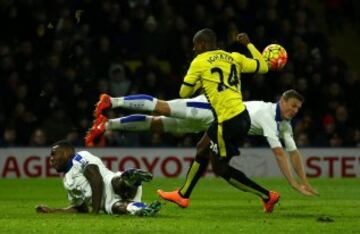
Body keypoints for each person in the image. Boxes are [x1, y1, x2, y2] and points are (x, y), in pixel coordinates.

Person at [89, 29, 281, 213]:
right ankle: (183, 194)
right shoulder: (233, 57)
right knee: (197, 146)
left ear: (202, 44)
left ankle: (112, 103)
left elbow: (184, 92)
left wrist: (200, 81)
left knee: (218, 166)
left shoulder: (199, 61)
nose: (193, 49)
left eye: (194, 45)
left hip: (221, 118)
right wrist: (248, 44)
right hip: (237, 116)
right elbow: (263, 66)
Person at [86, 89, 318, 198]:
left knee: (159, 124)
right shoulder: (269, 114)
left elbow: (293, 154)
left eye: (298, 108)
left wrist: (304, 182)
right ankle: (112, 101)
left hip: (215, 123)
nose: (295, 111)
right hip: (211, 110)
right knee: (162, 107)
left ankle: (106, 126)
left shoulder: (284, 125)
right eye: (292, 105)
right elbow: (279, 155)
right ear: (282, 100)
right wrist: (293, 185)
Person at [35, 140, 161, 216]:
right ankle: (142, 208)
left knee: (116, 184)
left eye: (53, 154)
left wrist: (95, 211)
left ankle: (130, 180)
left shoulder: (79, 158)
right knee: (119, 208)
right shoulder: (67, 181)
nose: (50, 159)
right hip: (107, 203)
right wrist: (53, 210)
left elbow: (96, 178)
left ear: (66, 152)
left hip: (109, 182)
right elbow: (80, 208)